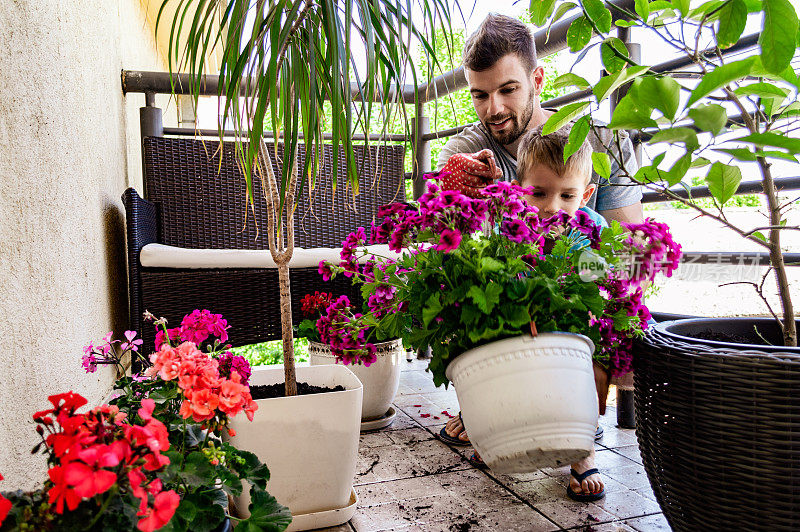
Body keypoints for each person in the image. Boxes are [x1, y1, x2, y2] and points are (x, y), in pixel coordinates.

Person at [438, 13, 645, 501]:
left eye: (507, 89)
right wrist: (467, 192)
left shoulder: (598, 139)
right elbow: (438, 222)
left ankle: (575, 433)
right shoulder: (471, 148)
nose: (494, 108)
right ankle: (491, 409)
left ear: (537, 79)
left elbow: (631, 250)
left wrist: (596, 306)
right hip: (507, 302)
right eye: (479, 94)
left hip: (576, 298)